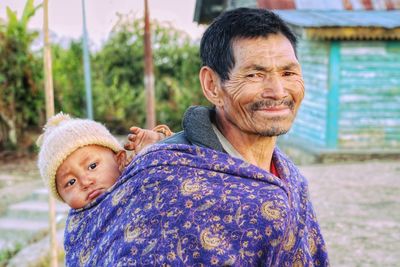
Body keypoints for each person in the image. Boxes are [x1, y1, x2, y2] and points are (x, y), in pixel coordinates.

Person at [64, 8, 329, 266]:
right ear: (212, 86)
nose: (278, 91)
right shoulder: (163, 179)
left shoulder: (291, 179)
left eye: (288, 73)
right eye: (255, 75)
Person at [36, 112, 171, 209]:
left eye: (92, 166)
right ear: (61, 197)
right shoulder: (77, 231)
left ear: (120, 160)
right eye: (71, 182)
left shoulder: (141, 178)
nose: (85, 182)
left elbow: (172, 177)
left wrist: (157, 146)